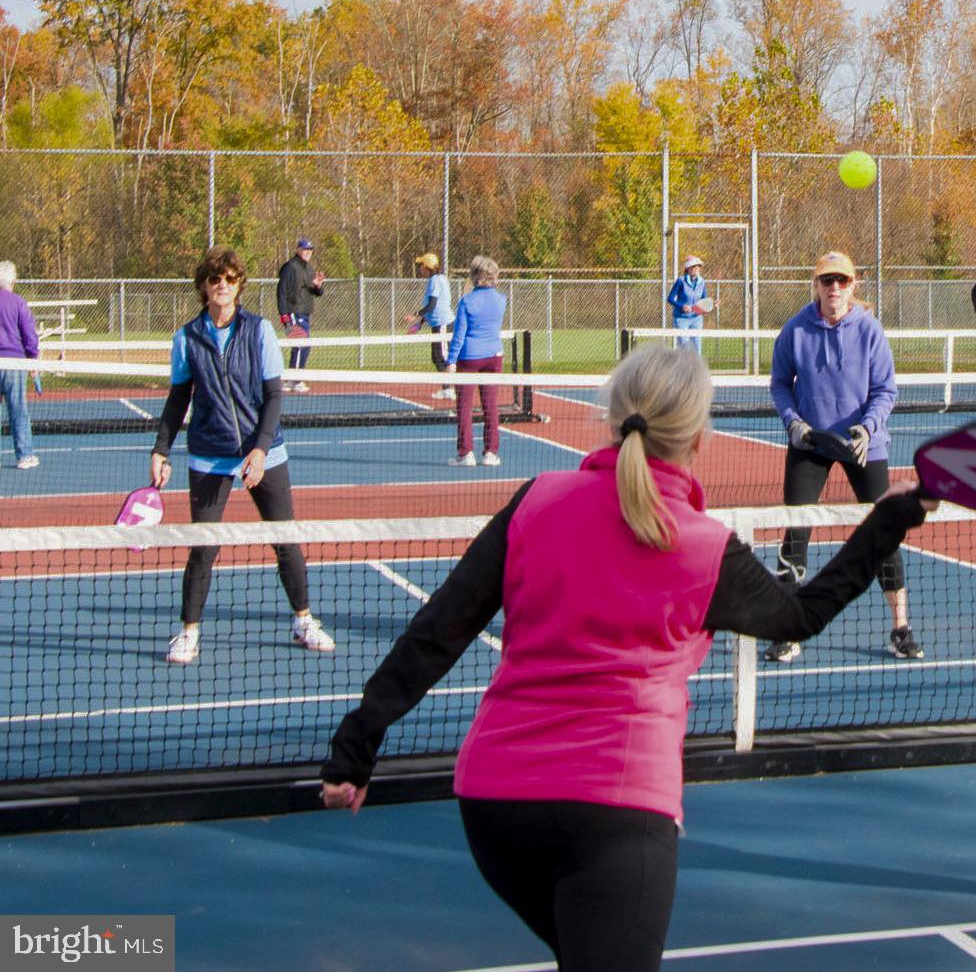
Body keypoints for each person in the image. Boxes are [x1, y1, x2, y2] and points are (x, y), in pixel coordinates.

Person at [320, 345, 933, 970]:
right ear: (698, 440)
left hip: (494, 807)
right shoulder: (705, 547)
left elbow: (437, 632)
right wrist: (889, 519)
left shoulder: (537, 501)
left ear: (613, 421)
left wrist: (355, 747)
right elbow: (802, 615)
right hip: (615, 814)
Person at [150, 247, 334, 665]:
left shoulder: (259, 330)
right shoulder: (187, 338)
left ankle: (303, 620)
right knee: (203, 547)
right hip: (209, 455)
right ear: (203, 286)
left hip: (264, 452)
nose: (222, 286)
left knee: (285, 539)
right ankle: (189, 632)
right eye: (215, 279)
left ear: (239, 285)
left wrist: (260, 449)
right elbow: (178, 399)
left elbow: (273, 395)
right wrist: (161, 449)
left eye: (230, 279)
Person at [766, 250, 922, 663]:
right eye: (827, 280)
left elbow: (885, 390)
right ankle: (787, 629)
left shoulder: (869, 330)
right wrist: (794, 423)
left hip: (863, 445)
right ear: (816, 285)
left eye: (842, 281)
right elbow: (780, 384)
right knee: (796, 528)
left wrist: (866, 429)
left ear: (853, 286)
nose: (834, 288)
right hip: (810, 443)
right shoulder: (795, 329)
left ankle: (901, 628)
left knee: (885, 530)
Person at [446, 255, 508, 467]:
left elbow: (459, 335)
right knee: (490, 406)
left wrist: (451, 361)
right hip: (494, 357)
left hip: (468, 358)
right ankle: (491, 453)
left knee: (464, 407)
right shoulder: (501, 299)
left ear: (474, 275)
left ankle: (465, 454)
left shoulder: (466, 302)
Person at [0, 261, 40, 470]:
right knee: (18, 410)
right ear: (13, 281)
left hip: (12, 362)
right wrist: (33, 359)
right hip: (14, 364)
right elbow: (30, 335)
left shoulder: (18, 303)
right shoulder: (18, 303)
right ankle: (25, 456)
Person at [276, 237, 325, 393]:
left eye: (310, 250)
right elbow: (281, 291)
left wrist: (317, 286)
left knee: (304, 346)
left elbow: (317, 292)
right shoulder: (290, 267)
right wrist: (284, 315)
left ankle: (294, 378)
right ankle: (294, 380)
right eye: (305, 249)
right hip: (293, 312)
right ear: (298, 250)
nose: (308, 252)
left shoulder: (309, 269)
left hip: (305, 313)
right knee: (299, 344)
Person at [405, 251, 454, 400]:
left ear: (427, 267)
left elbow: (432, 305)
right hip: (438, 324)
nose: (419, 268)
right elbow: (434, 307)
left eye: (421, 265)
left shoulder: (435, 281)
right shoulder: (439, 279)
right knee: (436, 357)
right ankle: (447, 388)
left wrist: (415, 315)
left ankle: (451, 388)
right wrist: (420, 323)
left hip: (443, 324)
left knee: (443, 357)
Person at [666, 254, 709, 351]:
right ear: (688, 268)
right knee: (684, 347)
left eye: (698, 266)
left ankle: (696, 362)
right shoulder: (680, 281)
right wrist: (682, 306)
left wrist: (712, 304)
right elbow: (670, 299)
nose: (697, 269)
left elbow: (704, 300)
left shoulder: (702, 282)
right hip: (681, 319)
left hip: (696, 319)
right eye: (694, 266)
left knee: (697, 347)